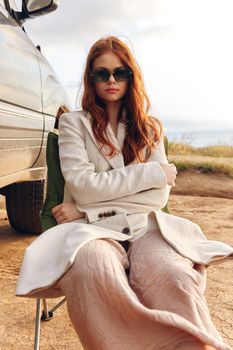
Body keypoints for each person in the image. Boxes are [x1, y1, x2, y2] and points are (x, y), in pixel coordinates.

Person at [16, 36, 233, 350]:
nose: (111, 80)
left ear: (132, 76)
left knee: (173, 276)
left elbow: (155, 198)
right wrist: (153, 173)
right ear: (91, 79)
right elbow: (84, 188)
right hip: (90, 231)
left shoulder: (151, 128)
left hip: (145, 225)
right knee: (95, 272)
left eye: (120, 72)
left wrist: (86, 207)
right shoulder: (74, 124)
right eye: (101, 73)